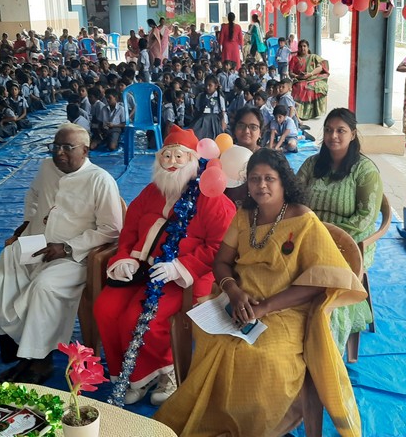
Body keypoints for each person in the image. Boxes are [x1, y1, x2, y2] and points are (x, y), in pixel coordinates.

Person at [155, 148, 366, 436]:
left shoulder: (304, 220)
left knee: (265, 358)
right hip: (239, 302)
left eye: (269, 178)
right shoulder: (244, 215)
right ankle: (214, 419)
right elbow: (221, 262)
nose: (261, 185)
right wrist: (233, 292)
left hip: (285, 309)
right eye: (254, 179)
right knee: (214, 341)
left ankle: (253, 426)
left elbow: (320, 280)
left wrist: (264, 307)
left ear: (283, 182)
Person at [94, 125, 236, 406]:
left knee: (137, 317)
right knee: (105, 309)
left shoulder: (210, 197)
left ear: (192, 160)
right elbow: (130, 229)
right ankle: (130, 375)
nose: (171, 162)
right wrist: (125, 257)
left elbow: (220, 247)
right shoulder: (151, 192)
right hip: (142, 271)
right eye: (166, 156)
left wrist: (179, 267)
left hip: (184, 278)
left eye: (179, 156)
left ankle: (165, 372)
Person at [0, 124, 123, 384]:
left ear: (85, 150)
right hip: (38, 244)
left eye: (67, 148)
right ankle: (17, 349)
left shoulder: (99, 180)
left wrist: (67, 247)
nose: (59, 153)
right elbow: (33, 194)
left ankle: (40, 361)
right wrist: (27, 223)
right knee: (6, 266)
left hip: (75, 255)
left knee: (43, 287)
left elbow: (112, 229)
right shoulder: (47, 167)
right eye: (55, 146)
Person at [297, 107, 383, 351]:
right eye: (328, 130)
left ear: (353, 134)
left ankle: (326, 347)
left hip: (349, 242)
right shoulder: (312, 164)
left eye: (340, 131)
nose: (333, 136)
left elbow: (366, 218)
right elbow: (294, 197)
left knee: (331, 286)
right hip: (309, 236)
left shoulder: (365, 171)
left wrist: (329, 237)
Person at [289, 39, 330, 121]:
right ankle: (300, 113)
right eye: (300, 46)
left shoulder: (313, 57)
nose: (302, 48)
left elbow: (321, 67)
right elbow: (290, 73)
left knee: (313, 86)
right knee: (301, 86)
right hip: (299, 79)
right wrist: (298, 76)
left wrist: (310, 74)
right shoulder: (294, 59)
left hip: (312, 78)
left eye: (304, 46)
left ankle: (312, 112)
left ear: (308, 47)